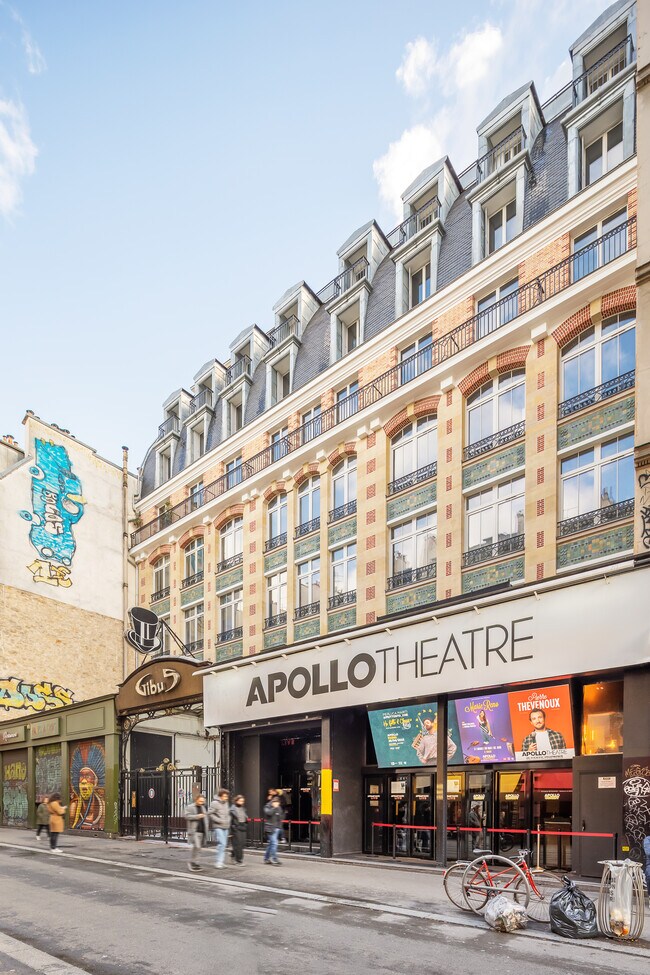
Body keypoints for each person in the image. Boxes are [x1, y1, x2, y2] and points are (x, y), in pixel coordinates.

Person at [184, 793, 208, 871]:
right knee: (197, 846)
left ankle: (195, 863)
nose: (202, 803)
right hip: (194, 831)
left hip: (202, 831)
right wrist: (197, 816)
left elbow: (205, 818)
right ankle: (192, 862)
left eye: (203, 801)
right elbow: (186, 816)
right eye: (200, 801)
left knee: (199, 848)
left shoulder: (203, 807)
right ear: (196, 800)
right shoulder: (190, 807)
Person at [208, 787, 231, 869]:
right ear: (220, 796)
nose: (226, 798)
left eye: (227, 796)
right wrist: (218, 820)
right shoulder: (214, 803)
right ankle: (219, 862)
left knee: (223, 845)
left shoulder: (226, 803)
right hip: (218, 826)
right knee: (222, 843)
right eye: (225, 796)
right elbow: (210, 813)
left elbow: (228, 814)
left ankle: (220, 861)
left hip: (226, 826)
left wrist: (228, 820)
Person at [263, 794, 283, 865]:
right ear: (272, 801)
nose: (277, 804)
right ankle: (274, 859)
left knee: (271, 844)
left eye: (278, 802)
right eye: (275, 802)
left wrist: (280, 828)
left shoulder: (279, 808)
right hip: (270, 828)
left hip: (276, 828)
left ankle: (266, 858)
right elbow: (269, 813)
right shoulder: (267, 806)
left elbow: (280, 818)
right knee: (274, 843)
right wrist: (274, 808)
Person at [230, 794, 248, 864]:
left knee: (242, 844)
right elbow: (230, 820)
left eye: (242, 801)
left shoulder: (243, 809)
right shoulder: (232, 809)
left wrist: (246, 824)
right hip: (236, 827)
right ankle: (239, 860)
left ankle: (233, 854)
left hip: (243, 826)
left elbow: (245, 818)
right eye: (240, 801)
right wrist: (233, 827)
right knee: (238, 844)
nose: (241, 802)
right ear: (236, 801)